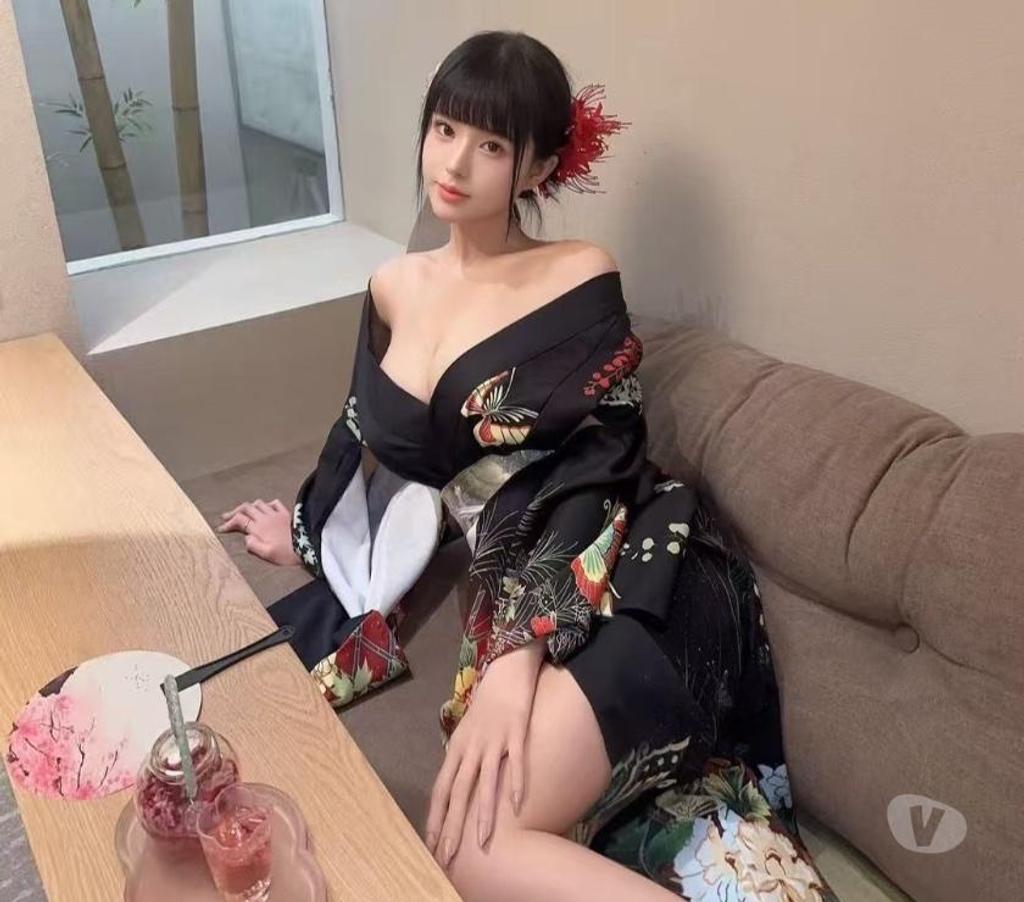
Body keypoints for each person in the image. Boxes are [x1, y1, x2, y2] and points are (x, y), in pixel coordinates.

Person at [218, 30, 830, 901]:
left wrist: (518, 656)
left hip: (637, 565)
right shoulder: (392, 287)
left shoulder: (579, 276)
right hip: (514, 584)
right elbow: (369, 439)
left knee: (472, 848)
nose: (455, 162)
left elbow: (602, 461)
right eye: (445, 129)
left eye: (492, 145)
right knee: (469, 840)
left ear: (540, 167)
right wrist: (311, 535)